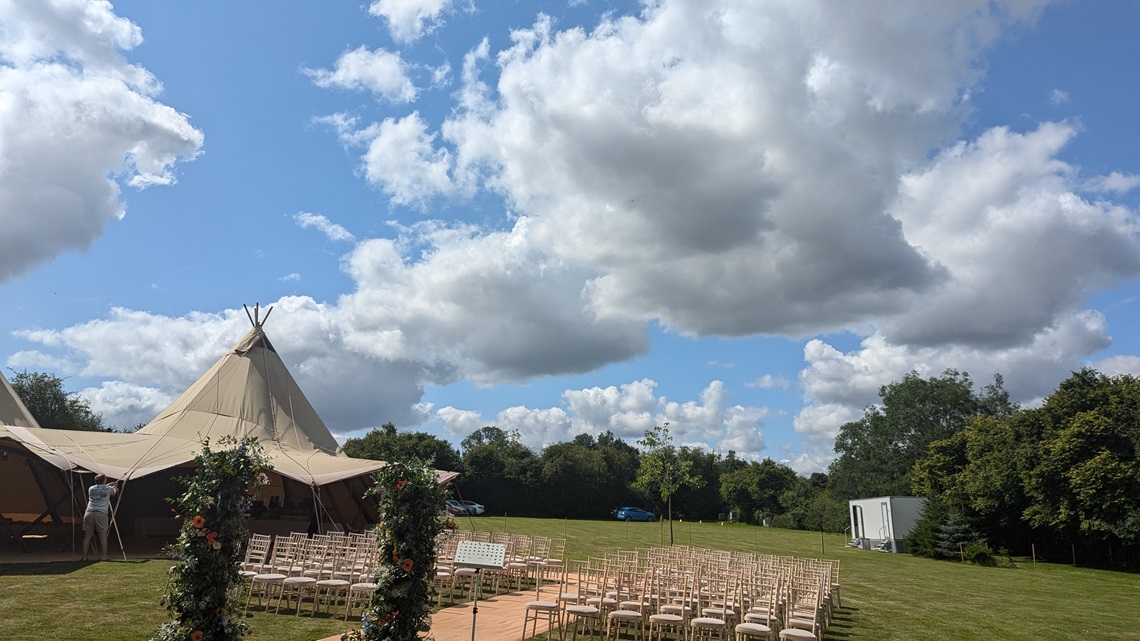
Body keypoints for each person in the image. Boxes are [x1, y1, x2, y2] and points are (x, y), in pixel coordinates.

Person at [82, 473, 118, 561]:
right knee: (103, 535)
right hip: (101, 513)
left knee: (87, 535)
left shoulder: (91, 488)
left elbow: (102, 488)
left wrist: (109, 485)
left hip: (89, 512)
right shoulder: (108, 489)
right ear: (104, 480)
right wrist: (115, 486)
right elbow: (114, 492)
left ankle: (84, 557)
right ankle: (104, 556)